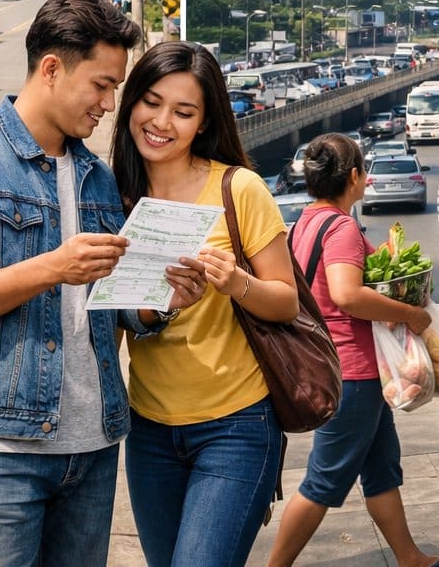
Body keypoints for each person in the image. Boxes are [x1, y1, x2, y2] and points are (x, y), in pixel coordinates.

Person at [0, 0, 200, 567]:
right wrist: (51, 268)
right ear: (50, 69)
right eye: (101, 85)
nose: (110, 104)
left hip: (92, 447)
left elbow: (116, 313)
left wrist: (159, 302)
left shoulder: (98, 178)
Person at [113, 40, 299, 567]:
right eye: (150, 102)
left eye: (183, 111)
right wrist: (157, 304)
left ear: (204, 121)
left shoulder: (238, 188)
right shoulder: (111, 195)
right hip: (147, 429)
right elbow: (116, 326)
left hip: (236, 428)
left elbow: (285, 302)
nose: (161, 121)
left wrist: (236, 281)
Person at [267, 132, 439, 567]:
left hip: (351, 372)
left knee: (381, 470)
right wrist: (409, 314)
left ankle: (409, 557)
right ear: (354, 176)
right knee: (323, 482)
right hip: (350, 373)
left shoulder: (305, 222)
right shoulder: (341, 228)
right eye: (364, 169)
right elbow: (346, 294)